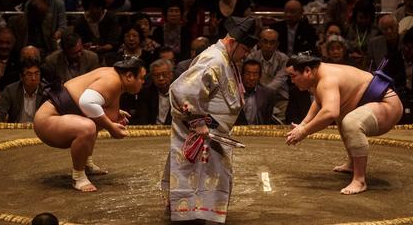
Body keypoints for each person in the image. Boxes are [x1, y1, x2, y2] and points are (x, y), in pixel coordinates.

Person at [162, 16, 258, 223]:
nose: (245, 55)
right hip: (201, 130)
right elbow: (183, 90)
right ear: (233, 42)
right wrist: (198, 122)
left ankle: (199, 213)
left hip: (214, 132)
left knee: (211, 175)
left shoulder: (225, 58)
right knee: (200, 174)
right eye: (245, 50)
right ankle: (194, 215)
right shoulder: (214, 59)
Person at [285, 53, 403, 194]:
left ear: (307, 71)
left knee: (351, 122)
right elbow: (319, 101)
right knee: (343, 116)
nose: (292, 81)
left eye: (293, 76)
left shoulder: (327, 79)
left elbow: (329, 113)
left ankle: (359, 180)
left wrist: (304, 132)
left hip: (387, 104)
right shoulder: (319, 74)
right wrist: (303, 124)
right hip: (373, 103)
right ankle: (352, 164)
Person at [33, 56, 146, 192]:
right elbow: (86, 102)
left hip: (61, 117)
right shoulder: (112, 80)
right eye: (141, 78)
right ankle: (78, 177)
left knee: (97, 117)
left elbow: (92, 100)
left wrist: (114, 114)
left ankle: (87, 163)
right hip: (49, 119)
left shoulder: (114, 76)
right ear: (129, 76)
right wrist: (111, 127)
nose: (143, 82)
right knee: (88, 126)